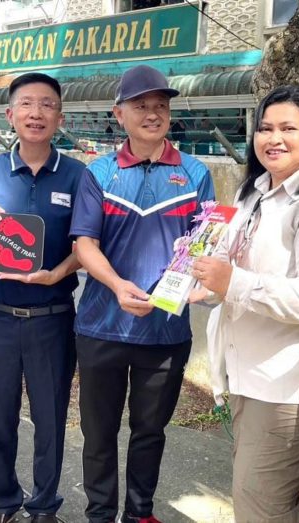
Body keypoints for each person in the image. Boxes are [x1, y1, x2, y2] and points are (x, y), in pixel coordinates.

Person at [191, 85, 299, 522]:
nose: (273, 138)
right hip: (248, 372)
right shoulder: (253, 192)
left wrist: (233, 283)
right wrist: (206, 281)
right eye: (265, 128)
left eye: (288, 128)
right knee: (258, 501)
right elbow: (232, 265)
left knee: (262, 505)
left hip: (289, 384)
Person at [70, 64, 215, 523]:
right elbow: (84, 243)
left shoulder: (195, 173)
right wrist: (114, 286)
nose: (152, 114)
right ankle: (99, 514)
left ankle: (139, 513)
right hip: (101, 326)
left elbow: (204, 245)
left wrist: (195, 283)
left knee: (150, 431)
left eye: (160, 106)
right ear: (120, 113)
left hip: (165, 331)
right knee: (98, 432)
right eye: (141, 106)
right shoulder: (99, 173)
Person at [0, 73, 84, 523]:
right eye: (26, 105)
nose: (36, 113)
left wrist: (59, 273)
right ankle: (1, 501)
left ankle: (44, 505)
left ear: (60, 117)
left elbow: (87, 245)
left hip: (52, 317)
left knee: (49, 419)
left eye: (47, 105)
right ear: (10, 115)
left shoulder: (77, 174)